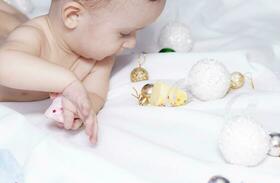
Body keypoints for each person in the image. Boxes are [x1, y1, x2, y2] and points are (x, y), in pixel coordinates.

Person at [0, 0, 166, 144]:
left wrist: (84, 108)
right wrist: (67, 83)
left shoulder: (101, 57)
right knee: (12, 26)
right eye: (124, 33)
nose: (132, 43)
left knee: (14, 23)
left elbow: (95, 93)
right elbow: (5, 64)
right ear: (73, 16)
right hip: (10, 39)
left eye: (138, 31)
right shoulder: (35, 36)